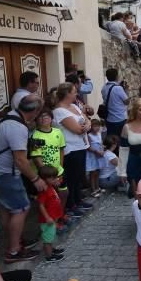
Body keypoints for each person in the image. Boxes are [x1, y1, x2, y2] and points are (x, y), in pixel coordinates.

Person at [0, 95, 45, 262]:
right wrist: (35, 179)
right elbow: (20, 160)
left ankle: (14, 241)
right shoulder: (17, 127)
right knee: (22, 208)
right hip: (4, 175)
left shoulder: (9, 117)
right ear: (36, 111)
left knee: (6, 209)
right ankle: (14, 251)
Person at [54, 83, 93, 219]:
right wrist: (86, 126)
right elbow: (77, 129)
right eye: (74, 92)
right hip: (70, 148)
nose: (76, 94)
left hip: (81, 145)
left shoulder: (75, 106)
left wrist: (87, 124)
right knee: (71, 177)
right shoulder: (59, 111)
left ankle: (78, 200)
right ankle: (71, 205)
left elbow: (87, 121)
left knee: (78, 176)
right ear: (67, 94)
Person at [30, 110, 68, 214]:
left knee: (64, 193)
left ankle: (60, 214)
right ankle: (51, 219)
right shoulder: (35, 135)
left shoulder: (58, 132)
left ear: (51, 118)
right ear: (37, 120)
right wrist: (48, 176)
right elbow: (36, 158)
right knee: (49, 198)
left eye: (46, 116)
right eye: (41, 117)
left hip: (58, 171)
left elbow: (61, 150)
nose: (44, 119)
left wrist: (60, 167)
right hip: (46, 174)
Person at [101, 69, 130, 139]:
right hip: (119, 118)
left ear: (107, 77)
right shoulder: (118, 88)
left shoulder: (104, 88)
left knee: (111, 139)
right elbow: (127, 102)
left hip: (109, 118)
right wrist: (126, 90)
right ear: (117, 76)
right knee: (121, 139)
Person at [86, 119, 105, 198]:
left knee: (98, 171)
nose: (97, 128)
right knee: (93, 173)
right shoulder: (89, 135)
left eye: (98, 126)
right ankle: (93, 189)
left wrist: (102, 150)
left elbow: (101, 143)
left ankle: (97, 187)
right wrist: (96, 151)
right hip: (92, 156)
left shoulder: (99, 134)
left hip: (99, 155)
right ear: (91, 127)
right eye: (94, 126)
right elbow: (88, 147)